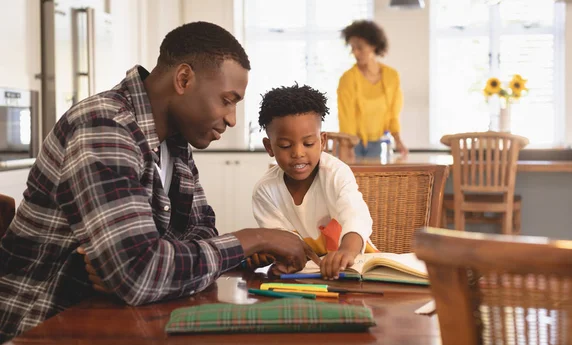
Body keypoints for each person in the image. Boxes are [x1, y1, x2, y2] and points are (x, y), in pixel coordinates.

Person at [0, 21, 317, 342]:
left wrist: (149, 263)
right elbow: (141, 275)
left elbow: (200, 229)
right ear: (183, 79)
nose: (232, 119)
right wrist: (255, 238)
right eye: (227, 100)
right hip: (43, 323)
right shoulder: (104, 126)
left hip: (116, 317)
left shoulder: (173, 140)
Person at [252, 84, 377, 280]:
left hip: (359, 272)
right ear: (269, 147)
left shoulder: (336, 173)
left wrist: (346, 252)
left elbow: (356, 215)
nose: (298, 153)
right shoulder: (265, 191)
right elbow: (281, 243)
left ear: (322, 141)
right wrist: (266, 252)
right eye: (285, 145)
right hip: (305, 278)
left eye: (309, 143)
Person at [337, 20, 409, 158]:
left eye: (360, 47)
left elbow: (393, 115)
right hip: (354, 144)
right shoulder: (348, 79)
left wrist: (398, 140)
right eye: (352, 48)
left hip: (381, 143)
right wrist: (348, 146)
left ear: (374, 46)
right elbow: (346, 118)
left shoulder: (391, 76)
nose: (356, 53)